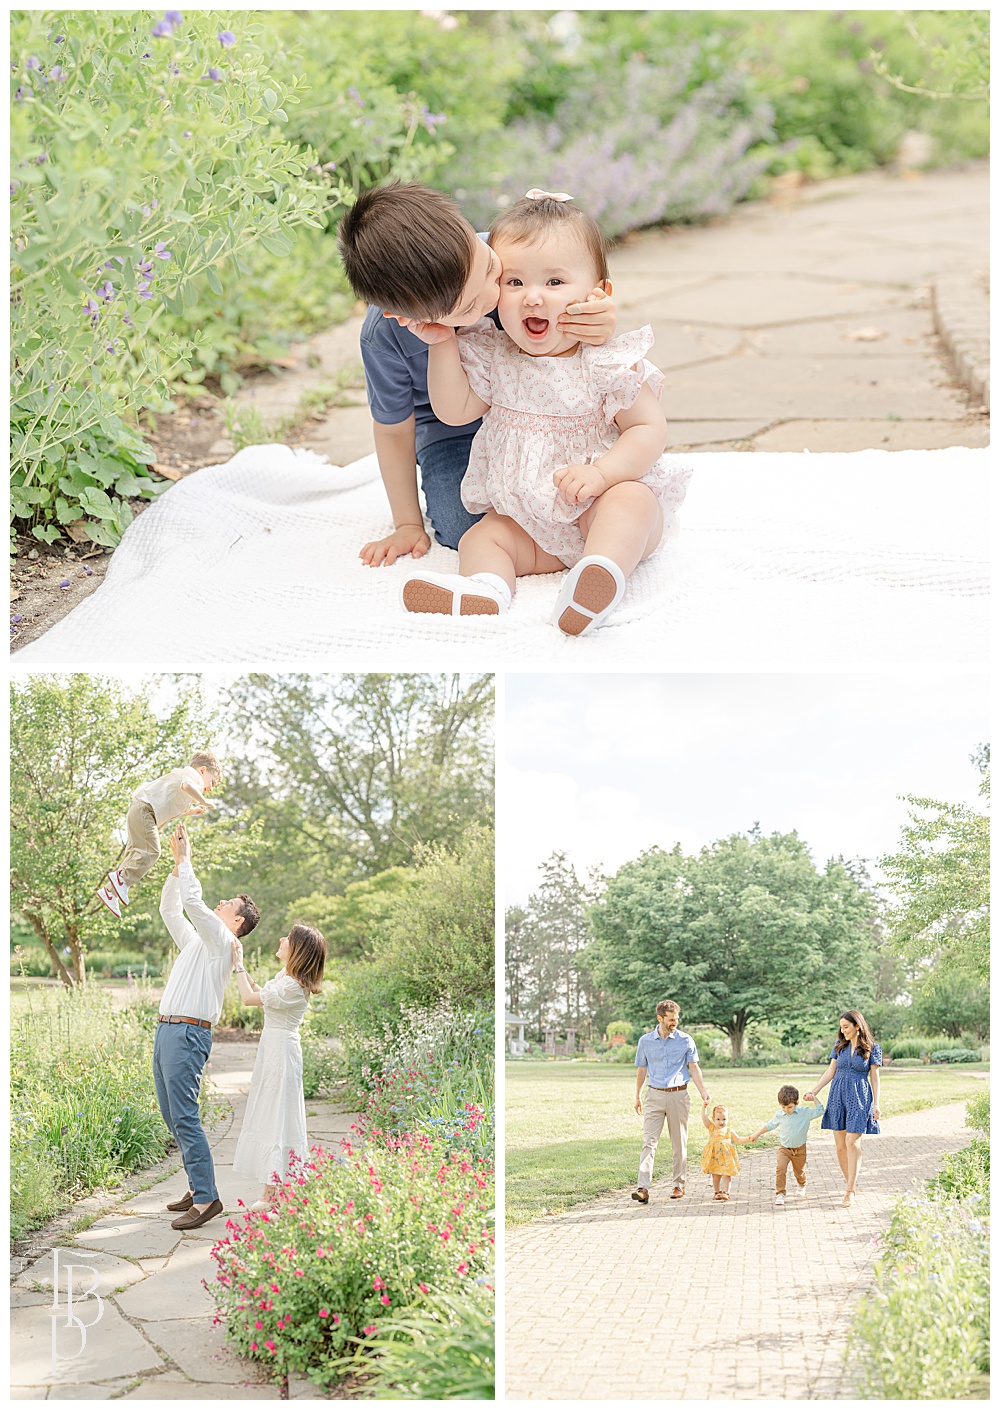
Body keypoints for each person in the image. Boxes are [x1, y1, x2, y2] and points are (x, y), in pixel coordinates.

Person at [398, 191, 691, 635]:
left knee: (633, 501)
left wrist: (605, 475)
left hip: (596, 506)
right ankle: (486, 589)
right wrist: (441, 342)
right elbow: (454, 411)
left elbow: (648, 429)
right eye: (515, 283)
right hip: (530, 523)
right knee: (482, 536)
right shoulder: (496, 357)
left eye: (554, 283)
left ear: (598, 295)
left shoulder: (605, 360)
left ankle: (600, 573)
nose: (532, 298)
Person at [336, 180, 617, 567]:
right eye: (469, 307)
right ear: (408, 317)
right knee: (460, 525)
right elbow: (393, 430)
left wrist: (598, 321)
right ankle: (532, 544)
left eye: (489, 270)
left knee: (601, 488)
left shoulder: (507, 251)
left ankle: (598, 532)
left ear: (470, 232)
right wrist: (406, 523)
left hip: (543, 411)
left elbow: (578, 283)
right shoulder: (384, 338)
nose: (492, 294)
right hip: (453, 432)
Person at [154, 821, 260, 1231]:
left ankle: (207, 1198)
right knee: (171, 1114)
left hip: (187, 1034)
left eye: (228, 904)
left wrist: (187, 860)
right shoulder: (200, 942)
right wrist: (175, 870)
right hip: (167, 1031)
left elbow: (195, 904)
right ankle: (198, 1185)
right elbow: (171, 909)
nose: (220, 903)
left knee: (184, 1116)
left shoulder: (222, 942)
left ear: (236, 923)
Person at [230, 922, 327, 1212]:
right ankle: (271, 1190)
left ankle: (275, 1191)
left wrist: (236, 967)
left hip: (281, 1054)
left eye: (288, 938)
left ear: (297, 950)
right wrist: (240, 963)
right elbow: (261, 993)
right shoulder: (286, 978)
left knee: (279, 1117)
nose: (282, 939)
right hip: (273, 1050)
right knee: (273, 1115)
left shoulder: (292, 986)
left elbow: (249, 998)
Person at [97, 751, 221, 920]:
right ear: (202, 770)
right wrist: (204, 801)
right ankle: (121, 880)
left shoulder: (188, 788)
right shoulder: (192, 776)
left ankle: (110, 893)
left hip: (139, 812)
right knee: (152, 852)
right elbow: (187, 786)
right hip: (145, 812)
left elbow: (172, 808)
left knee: (135, 855)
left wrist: (191, 811)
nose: (211, 788)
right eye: (212, 781)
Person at [632, 1000, 709, 1204]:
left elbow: (693, 1067)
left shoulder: (685, 1040)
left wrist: (703, 1092)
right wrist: (637, 1095)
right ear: (660, 1018)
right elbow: (641, 1070)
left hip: (678, 1096)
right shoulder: (645, 1042)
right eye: (671, 1019)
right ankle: (643, 1188)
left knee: (679, 1142)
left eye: (677, 1018)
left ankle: (678, 1184)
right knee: (649, 1142)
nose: (676, 1022)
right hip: (654, 1095)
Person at [804, 1010, 882, 1208]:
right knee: (840, 1145)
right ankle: (852, 1184)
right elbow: (831, 1071)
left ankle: (849, 1191)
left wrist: (876, 1104)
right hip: (837, 1095)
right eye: (841, 1027)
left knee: (852, 1141)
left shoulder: (872, 1049)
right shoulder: (839, 1047)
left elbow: (875, 1078)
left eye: (846, 1026)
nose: (842, 1030)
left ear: (857, 1026)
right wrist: (814, 1090)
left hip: (859, 1097)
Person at [747, 1084, 825, 1207]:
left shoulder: (804, 1113)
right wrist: (756, 1134)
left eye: (789, 1107)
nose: (787, 1110)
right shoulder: (780, 1115)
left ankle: (802, 1184)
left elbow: (820, 1111)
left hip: (800, 1149)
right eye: (784, 1107)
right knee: (780, 1169)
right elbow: (769, 1125)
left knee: (799, 1172)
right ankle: (780, 1194)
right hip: (784, 1149)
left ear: (796, 1103)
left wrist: (813, 1097)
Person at [700, 1099, 754, 1202]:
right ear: (713, 1119)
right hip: (715, 1156)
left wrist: (748, 1138)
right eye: (718, 1119)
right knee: (716, 1175)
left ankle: (726, 1192)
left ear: (728, 1118)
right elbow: (704, 1118)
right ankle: (717, 1192)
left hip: (726, 1157)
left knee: (726, 1175)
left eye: (724, 1119)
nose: (721, 1122)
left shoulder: (729, 1130)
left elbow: (738, 1140)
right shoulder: (712, 1128)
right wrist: (704, 1108)